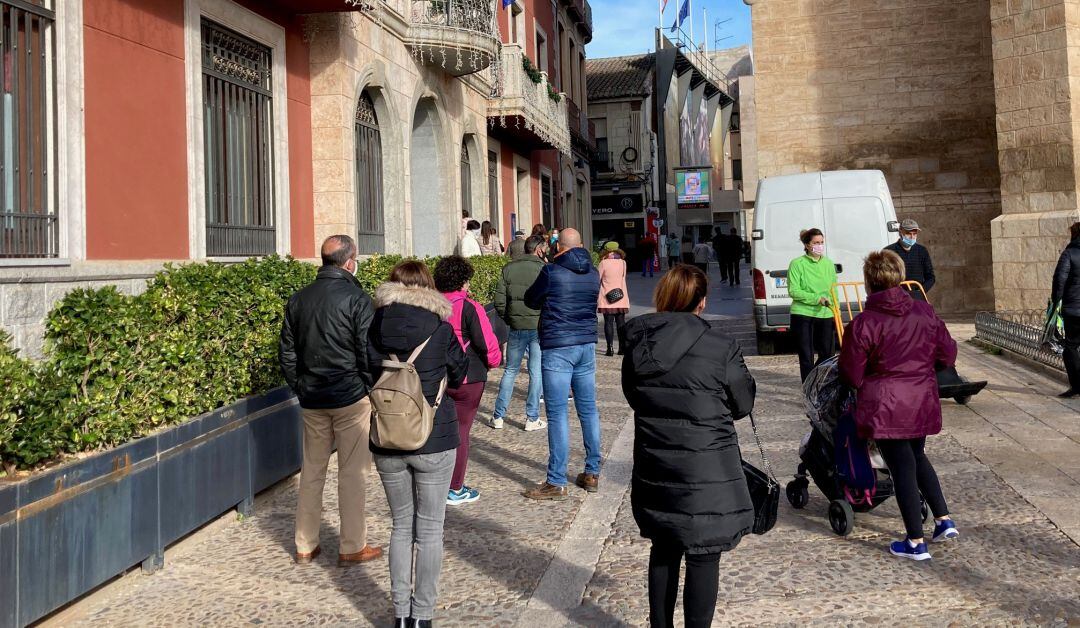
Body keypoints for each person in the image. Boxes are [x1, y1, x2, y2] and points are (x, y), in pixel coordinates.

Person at [622, 264, 756, 628]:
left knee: (663, 547)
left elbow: (635, 397)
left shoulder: (639, 344)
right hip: (707, 466)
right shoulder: (721, 346)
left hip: (657, 463)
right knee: (704, 554)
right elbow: (743, 404)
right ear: (702, 302)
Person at [839, 250, 960, 561]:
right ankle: (943, 519)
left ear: (868, 283)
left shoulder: (863, 323)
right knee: (917, 455)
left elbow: (851, 373)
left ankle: (915, 541)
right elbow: (947, 355)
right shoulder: (924, 312)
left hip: (885, 404)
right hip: (919, 398)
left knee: (902, 465)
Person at [367, 261, 468, 627]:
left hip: (387, 436)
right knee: (429, 530)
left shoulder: (374, 325)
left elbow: (366, 373)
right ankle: (422, 616)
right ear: (427, 287)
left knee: (399, 526)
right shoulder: (440, 326)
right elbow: (460, 373)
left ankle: (399, 613)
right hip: (434, 436)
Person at [279, 235, 382, 566]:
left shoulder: (299, 299)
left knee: (311, 471)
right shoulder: (357, 298)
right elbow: (368, 351)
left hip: (313, 396)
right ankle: (352, 545)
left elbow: (288, 352)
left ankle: (305, 544)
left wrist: (300, 386)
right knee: (353, 472)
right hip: (350, 395)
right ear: (350, 261)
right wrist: (367, 386)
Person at [523, 228, 602, 500]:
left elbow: (530, 300)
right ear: (580, 245)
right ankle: (592, 471)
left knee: (557, 414)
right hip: (586, 345)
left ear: (559, 246)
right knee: (589, 410)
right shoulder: (593, 273)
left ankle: (556, 481)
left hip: (558, 346)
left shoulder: (551, 272)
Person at [433, 256, 502, 505]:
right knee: (461, 431)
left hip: (436, 376)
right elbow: (487, 342)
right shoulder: (470, 307)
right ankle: (454, 487)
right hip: (467, 377)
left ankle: (433, 482)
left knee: (435, 430)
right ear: (462, 282)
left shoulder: (430, 305)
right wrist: (494, 361)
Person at [491, 234, 548, 431]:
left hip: (516, 327)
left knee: (510, 370)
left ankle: (498, 416)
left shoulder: (509, 268)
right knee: (536, 372)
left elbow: (499, 301)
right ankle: (532, 418)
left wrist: (509, 318)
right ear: (539, 249)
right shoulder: (543, 268)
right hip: (537, 327)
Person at [788, 228, 838, 381]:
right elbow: (794, 290)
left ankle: (814, 380)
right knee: (806, 355)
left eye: (822, 242)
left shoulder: (828, 264)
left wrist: (837, 310)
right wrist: (817, 298)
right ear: (807, 245)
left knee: (828, 354)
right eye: (816, 242)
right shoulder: (797, 264)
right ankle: (808, 388)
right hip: (802, 313)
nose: (820, 246)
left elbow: (833, 289)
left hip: (826, 313)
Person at [1051, 221, 1080, 397]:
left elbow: (1059, 281)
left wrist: (1056, 303)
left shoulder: (1069, 254)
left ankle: (1077, 385)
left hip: (1074, 310)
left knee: (1070, 347)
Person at [884, 219, 935, 300]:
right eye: (908, 233)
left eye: (914, 234)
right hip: (896, 298)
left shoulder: (922, 251)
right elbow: (883, 277)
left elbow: (930, 277)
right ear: (900, 232)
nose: (912, 237)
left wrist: (920, 291)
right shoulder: (888, 252)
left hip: (917, 297)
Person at [598, 242, 630, 356]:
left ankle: (609, 348)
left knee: (608, 323)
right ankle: (622, 348)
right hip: (621, 297)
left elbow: (598, 279)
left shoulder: (603, 263)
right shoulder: (623, 263)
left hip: (607, 298)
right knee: (621, 323)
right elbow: (623, 277)